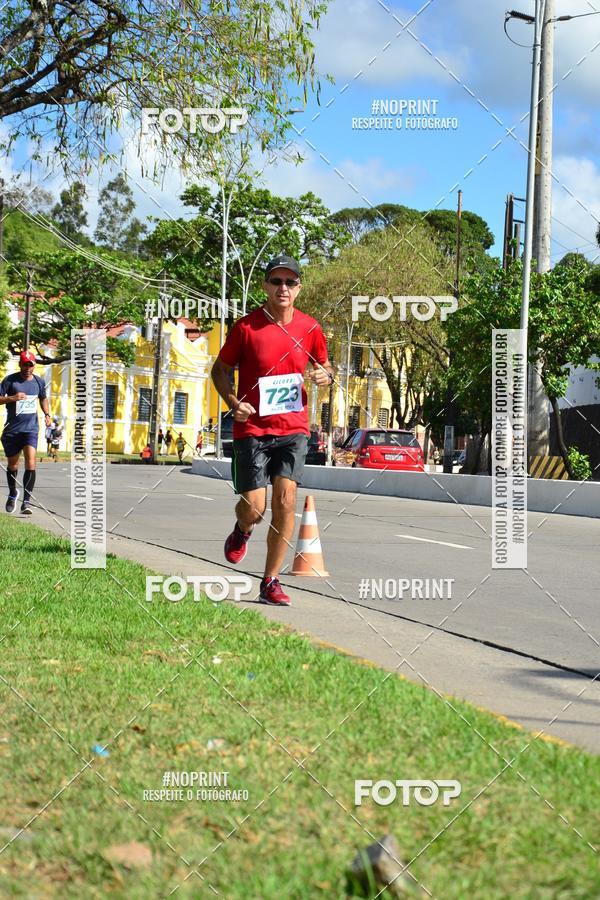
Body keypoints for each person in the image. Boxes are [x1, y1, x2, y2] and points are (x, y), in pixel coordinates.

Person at [211, 254, 334, 607]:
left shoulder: (310, 328)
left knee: (286, 501)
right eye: (276, 281)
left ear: (299, 288)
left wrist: (325, 375)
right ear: (265, 286)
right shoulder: (247, 328)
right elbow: (219, 370)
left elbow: (324, 367)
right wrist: (234, 402)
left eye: (290, 282)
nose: (283, 288)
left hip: (294, 428)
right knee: (255, 506)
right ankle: (243, 528)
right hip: (252, 427)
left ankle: (270, 580)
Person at [0, 349, 52, 515]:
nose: (27, 368)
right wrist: (12, 398)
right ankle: (13, 492)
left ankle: (27, 501)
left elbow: (43, 398)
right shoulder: (10, 381)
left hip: (30, 429)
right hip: (12, 429)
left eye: (30, 365)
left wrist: (47, 414)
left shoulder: (39, 382)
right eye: (25, 364)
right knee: (13, 464)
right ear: (20, 364)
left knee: (31, 462)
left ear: (34, 365)